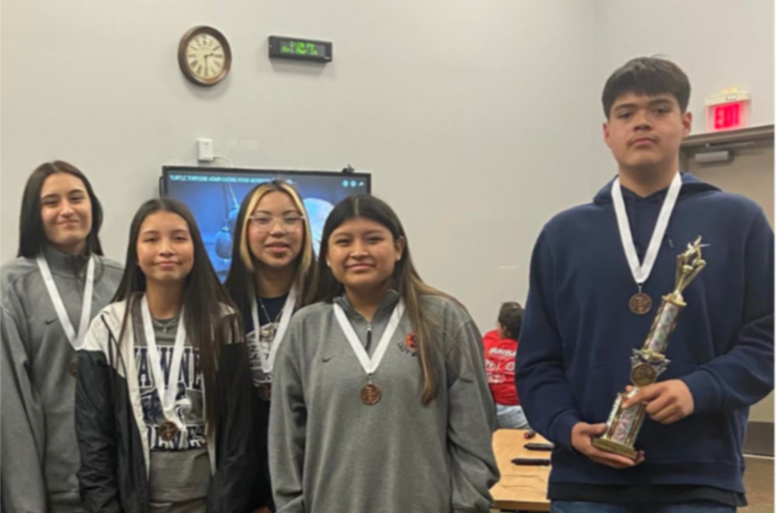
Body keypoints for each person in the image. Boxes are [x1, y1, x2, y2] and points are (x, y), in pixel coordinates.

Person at [517, 57, 776, 513]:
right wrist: (565, 426)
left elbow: (768, 338)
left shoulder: (740, 222)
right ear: (607, 132)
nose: (642, 122)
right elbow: (539, 358)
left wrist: (701, 388)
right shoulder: (563, 235)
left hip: (700, 475)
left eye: (659, 109)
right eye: (626, 112)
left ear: (686, 123)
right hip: (586, 478)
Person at [269, 194, 499, 513]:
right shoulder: (306, 328)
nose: (358, 252)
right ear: (327, 256)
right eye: (344, 241)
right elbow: (285, 437)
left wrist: (468, 506)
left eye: (373, 239)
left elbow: (473, 431)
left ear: (399, 247)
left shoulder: (442, 319)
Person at [75, 198, 256, 513]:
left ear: (196, 249)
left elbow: (239, 435)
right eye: (151, 239)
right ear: (135, 253)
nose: (166, 249)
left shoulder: (223, 323)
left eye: (178, 237)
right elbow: (94, 440)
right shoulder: (108, 327)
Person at [1, 161, 124, 513]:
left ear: (93, 207)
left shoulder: (123, 280)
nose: (66, 210)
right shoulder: (11, 287)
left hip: (121, 488)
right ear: (33, 214)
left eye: (76, 198)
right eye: (51, 202)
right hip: (51, 490)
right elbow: (9, 407)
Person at [224, 180, 316, 512]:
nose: (277, 230)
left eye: (291, 219)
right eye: (262, 219)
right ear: (242, 231)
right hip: (238, 477)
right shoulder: (221, 304)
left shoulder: (327, 302)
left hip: (312, 472)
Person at [484, 301, 529, 429]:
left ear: (503, 328)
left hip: (490, 409)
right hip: (520, 409)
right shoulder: (531, 349)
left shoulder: (488, 341)